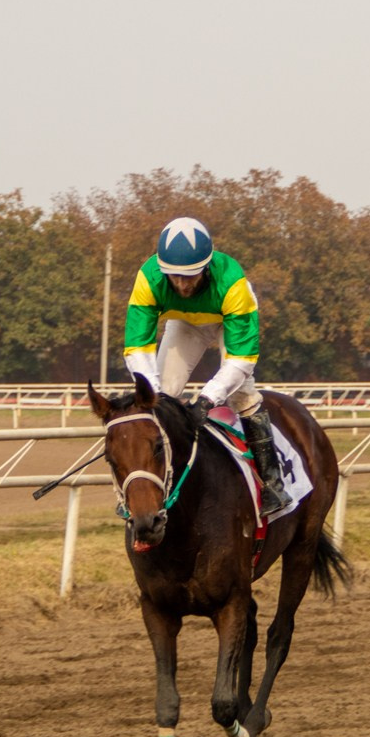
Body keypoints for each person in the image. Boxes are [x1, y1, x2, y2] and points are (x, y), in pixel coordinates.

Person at [121, 216, 287, 514]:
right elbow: (136, 349)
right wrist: (153, 393)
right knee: (162, 396)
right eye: (175, 276)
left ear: (207, 267)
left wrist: (208, 398)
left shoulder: (232, 283)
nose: (183, 284)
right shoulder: (148, 278)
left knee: (243, 396)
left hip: (227, 321)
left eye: (191, 276)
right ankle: (153, 484)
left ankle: (272, 482)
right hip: (185, 323)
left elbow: (242, 359)